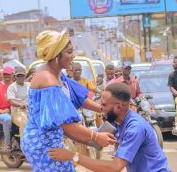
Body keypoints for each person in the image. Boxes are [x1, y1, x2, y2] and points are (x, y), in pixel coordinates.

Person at [20, 30, 116, 172]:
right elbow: (65, 123)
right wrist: (95, 136)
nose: (73, 56)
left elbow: (78, 97)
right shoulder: (48, 80)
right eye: (69, 52)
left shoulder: (57, 74)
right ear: (57, 55)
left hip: (53, 138)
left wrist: (104, 109)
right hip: (42, 143)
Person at [49, 83, 172, 172]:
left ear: (119, 106)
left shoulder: (135, 128)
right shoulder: (115, 121)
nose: (100, 108)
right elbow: (93, 141)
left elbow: (114, 167)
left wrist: (72, 156)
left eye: (104, 105)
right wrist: (63, 130)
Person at [7, 67, 30, 135]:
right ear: (15, 76)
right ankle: (24, 144)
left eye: (22, 75)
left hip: (30, 111)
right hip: (17, 112)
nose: (20, 77)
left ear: (25, 76)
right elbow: (11, 101)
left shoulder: (29, 85)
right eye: (18, 76)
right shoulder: (12, 87)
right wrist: (20, 105)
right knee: (25, 122)